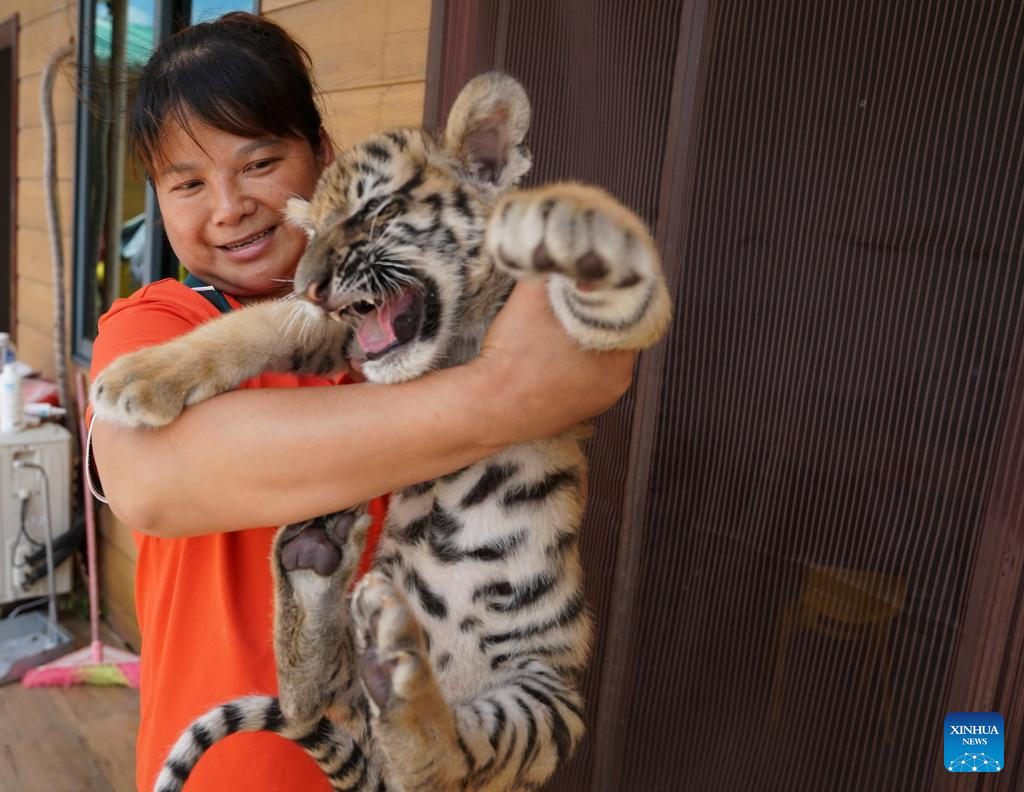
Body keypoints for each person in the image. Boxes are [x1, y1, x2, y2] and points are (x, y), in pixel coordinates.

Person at [88, 12, 635, 792]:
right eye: (187, 184)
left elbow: (593, 368)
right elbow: (152, 480)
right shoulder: (161, 322)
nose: (229, 206)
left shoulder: (416, 306)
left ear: (323, 157)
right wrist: (506, 389)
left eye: (259, 162)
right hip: (227, 774)